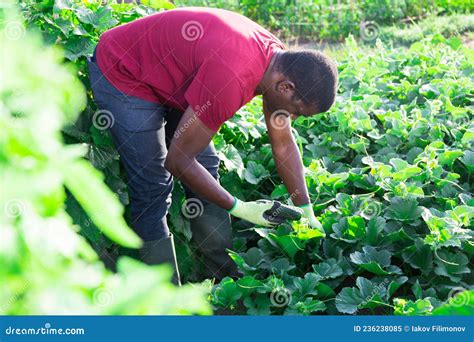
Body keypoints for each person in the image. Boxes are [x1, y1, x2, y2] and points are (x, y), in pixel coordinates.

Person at [87, 7, 338, 285]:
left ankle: (222, 277)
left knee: (205, 167)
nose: (292, 118)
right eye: (298, 112)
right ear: (286, 88)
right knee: (152, 187)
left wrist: (305, 208)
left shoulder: (277, 66)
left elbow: (282, 144)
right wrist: (239, 207)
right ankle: (165, 303)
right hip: (125, 71)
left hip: (170, 76)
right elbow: (178, 161)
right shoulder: (233, 77)